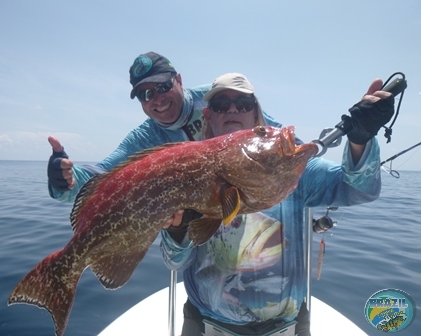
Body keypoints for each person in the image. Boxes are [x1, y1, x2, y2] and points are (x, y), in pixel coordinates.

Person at [160, 73, 394, 336]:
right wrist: (177, 231)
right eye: (221, 105)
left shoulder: (292, 164)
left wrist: (360, 138)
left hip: (287, 328)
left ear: (256, 113)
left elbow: (359, 190)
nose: (233, 109)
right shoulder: (189, 172)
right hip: (206, 326)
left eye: (244, 103)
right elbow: (174, 262)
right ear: (209, 117)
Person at [47, 52, 280, 204]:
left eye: (162, 86)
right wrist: (66, 180)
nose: (156, 99)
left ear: (179, 80)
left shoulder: (218, 99)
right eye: (145, 94)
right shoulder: (144, 138)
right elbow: (102, 174)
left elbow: (269, 131)